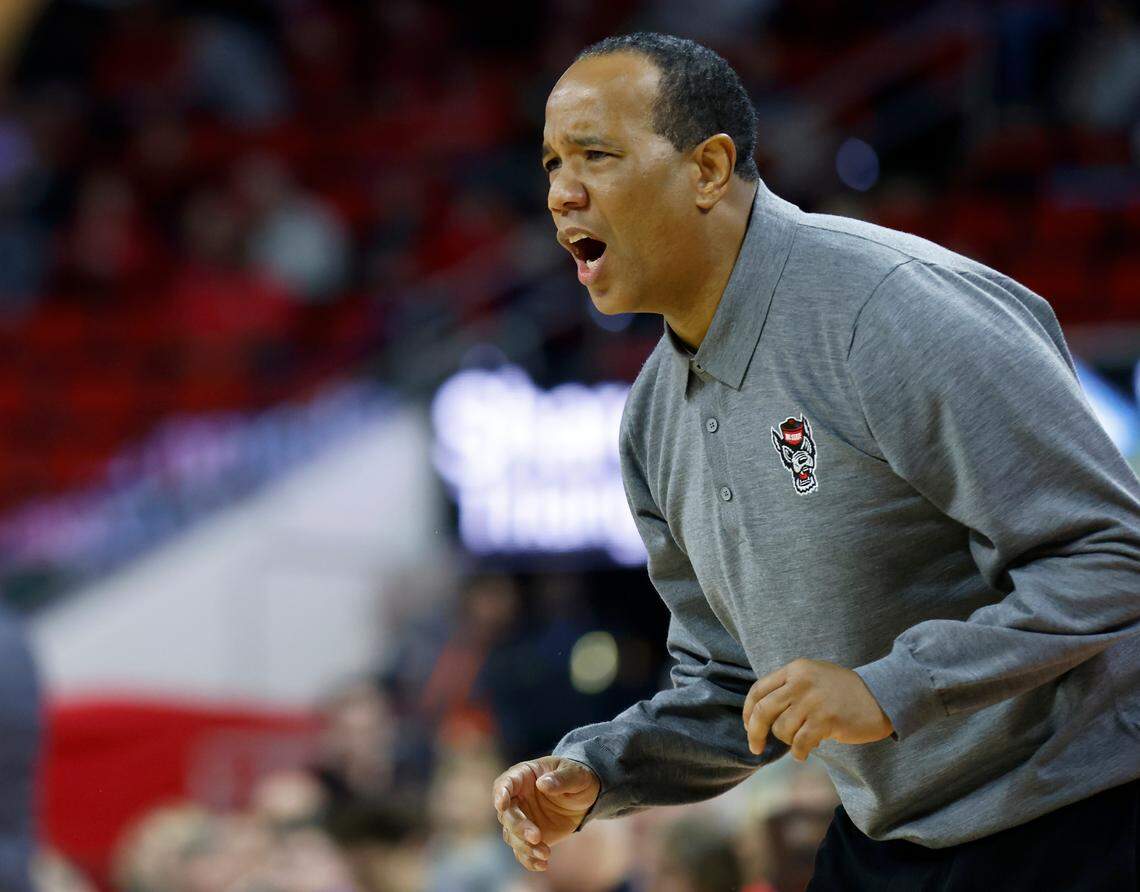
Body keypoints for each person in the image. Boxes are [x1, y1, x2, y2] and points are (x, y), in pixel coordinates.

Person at [491, 31, 1140, 891]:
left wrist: (892, 688)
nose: (562, 193)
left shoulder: (887, 308)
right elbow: (735, 686)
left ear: (709, 169)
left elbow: (1112, 556)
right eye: (548, 164)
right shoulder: (650, 418)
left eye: (596, 156)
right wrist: (601, 771)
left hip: (1082, 812)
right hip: (891, 836)